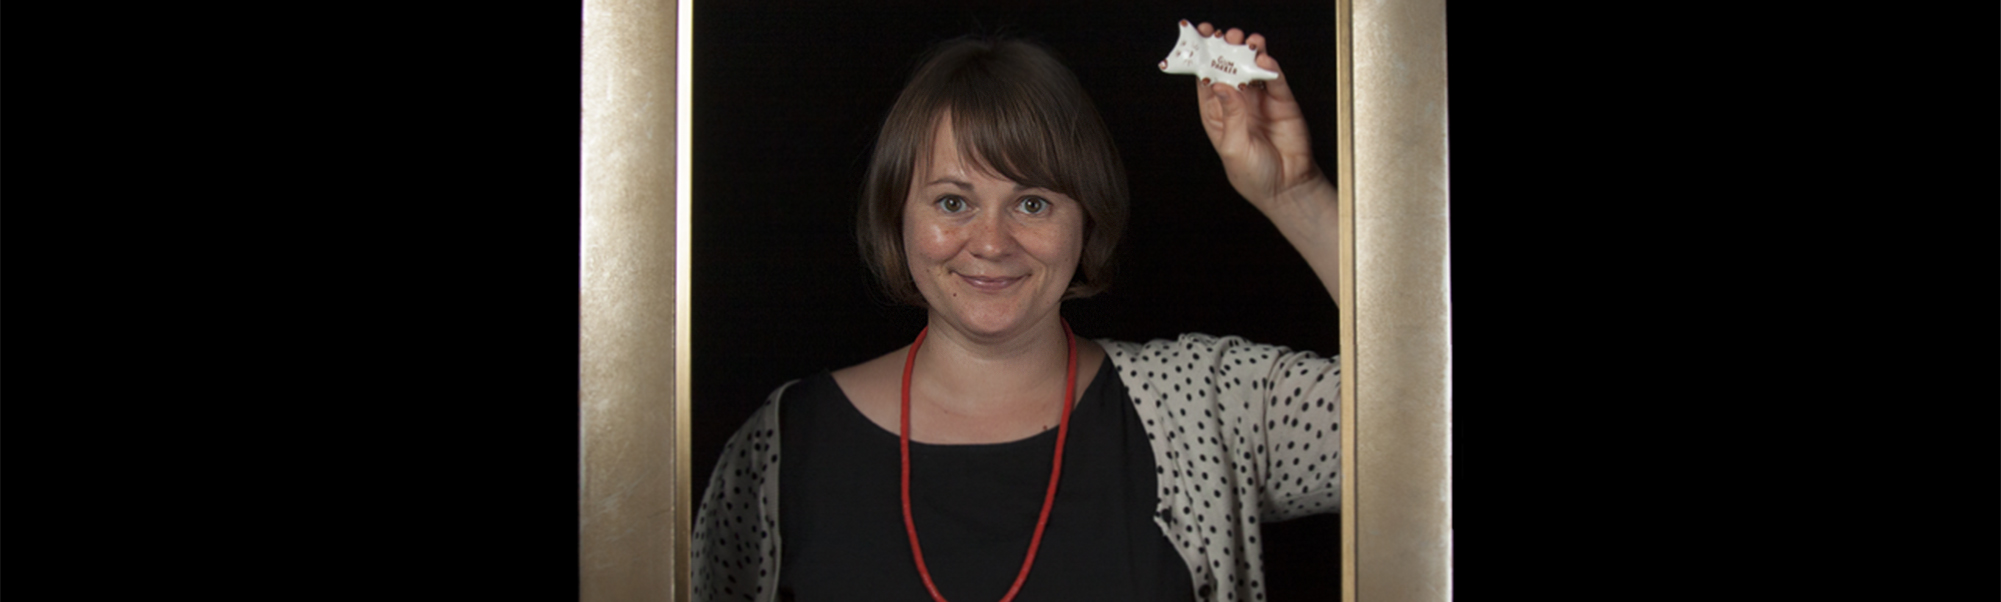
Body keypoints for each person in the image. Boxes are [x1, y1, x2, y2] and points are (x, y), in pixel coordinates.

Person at [694, 21, 1342, 602]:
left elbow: (1424, 419)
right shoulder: (781, 444)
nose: (991, 242)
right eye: (952, 202)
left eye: (1032, 203)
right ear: (899, 216)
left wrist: (1293, 193)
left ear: (1084, 221)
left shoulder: (1204, 403)